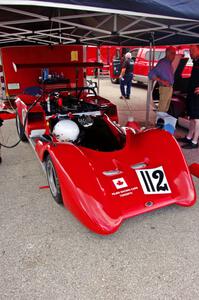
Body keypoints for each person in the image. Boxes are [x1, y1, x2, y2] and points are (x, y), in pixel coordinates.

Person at [178, 45, 199, 149]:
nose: (190, 53)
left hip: (197, 94)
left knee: (197, 118)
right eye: (190, 51)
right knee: (191, 117)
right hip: (192, 93)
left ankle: (195, 142)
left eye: (193, 51)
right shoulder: (195, 61)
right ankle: (189, 137)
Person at [148, 46, 176, 112]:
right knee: (162, 110)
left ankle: (161, 121)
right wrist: (162, 81)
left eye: (175, 54)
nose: (174, 56)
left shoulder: (168, 63)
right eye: (172, 53)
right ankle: (159, 121)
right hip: (165, 88)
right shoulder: (163, 63)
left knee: (165, 110)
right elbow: (151, 74)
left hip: (169, 88)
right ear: (167, 53)